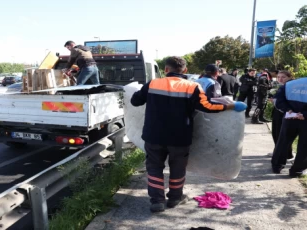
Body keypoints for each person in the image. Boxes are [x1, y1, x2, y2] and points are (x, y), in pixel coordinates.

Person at [130, 56, 247, 212]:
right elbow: (208, 107)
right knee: (178, 168)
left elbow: (135, 101)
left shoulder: (153, 83)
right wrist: (230, 106)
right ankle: (174, 198)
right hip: (180, 137)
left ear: (166, 70)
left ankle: (157, 201)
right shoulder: (193, 87)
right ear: (184, 70)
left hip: (154, 136)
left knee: (154, 168)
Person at [271, 76, 307, 177]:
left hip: (290, 117)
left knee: (283, 142)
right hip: (305, 120)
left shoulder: (290, 84)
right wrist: (304, 114)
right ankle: (297, 170)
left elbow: (277, 100)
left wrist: (287, 109)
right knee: (304, 146)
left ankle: (276, 166)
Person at [271, 71, 294, 159]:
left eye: (283, 77)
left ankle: (282, 154)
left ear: (289, 77)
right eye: (278, 77)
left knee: (279, 134)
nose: (280, 79)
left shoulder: (289, 86)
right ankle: (282, 152)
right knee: (278, 133)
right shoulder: (283, 86)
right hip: (280, 112)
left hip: (284, 113)